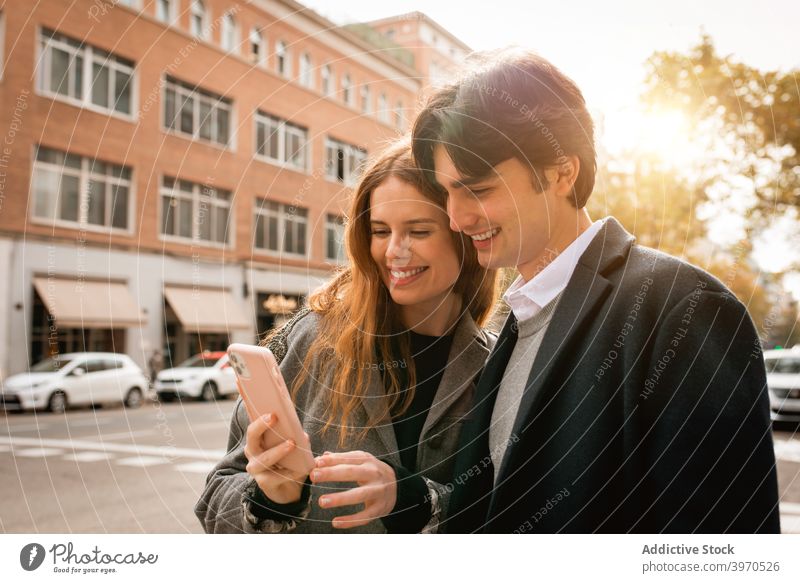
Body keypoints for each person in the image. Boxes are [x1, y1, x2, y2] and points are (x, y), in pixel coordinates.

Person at [411, 49, 781, 533]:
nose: (456, 218)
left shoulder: (684, 309)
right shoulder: (517, 321)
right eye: (447, 194)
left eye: (476, 190)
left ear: (563, 172)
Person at [195, 139, 498, 533]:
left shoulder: (497, 361)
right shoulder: (311, 338)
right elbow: (215, 500)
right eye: (380, 230)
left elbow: (512, 510)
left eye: (419, 230)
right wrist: (272, 499)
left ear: (464, 235)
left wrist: (418, 500)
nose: (394, 251)